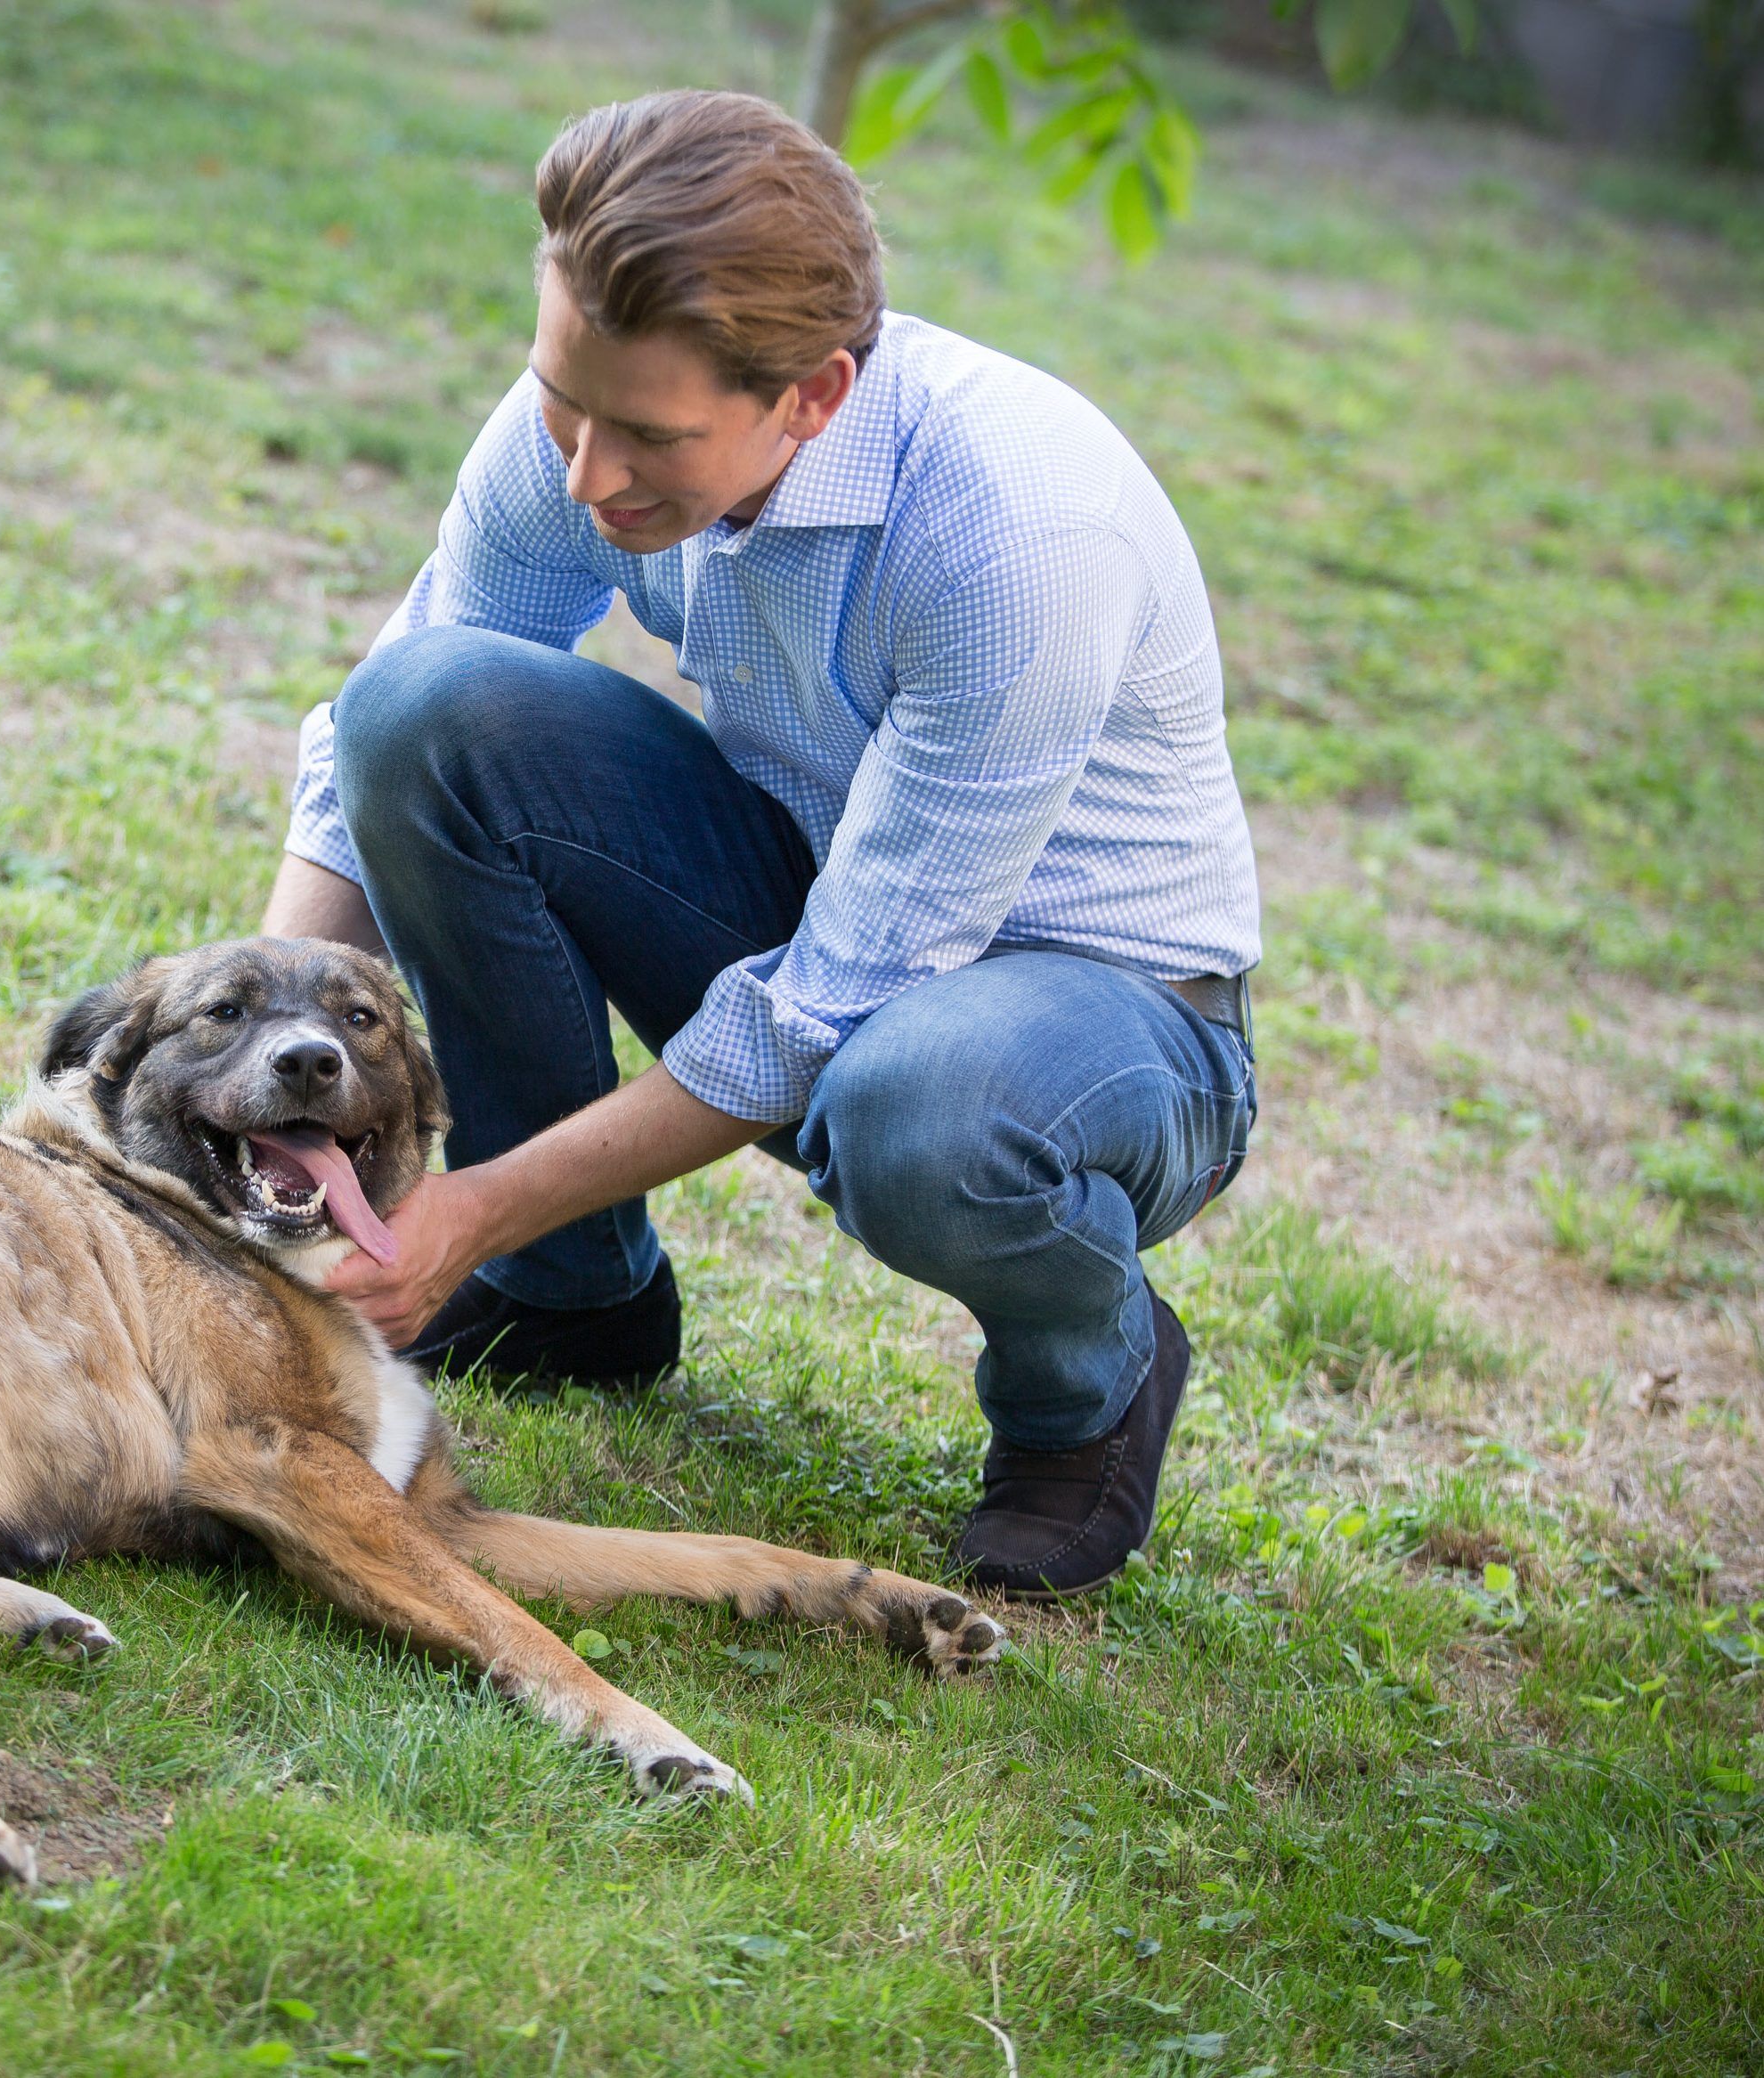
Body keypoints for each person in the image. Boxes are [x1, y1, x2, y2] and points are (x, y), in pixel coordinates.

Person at [257, 88, 1259, 1599]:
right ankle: (567, 1293)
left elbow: (837, 1001)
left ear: (815, 396)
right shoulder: (591, 423)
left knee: (918, 1098)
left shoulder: (1016, 532)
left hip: (1104, 1019)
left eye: (649, 438)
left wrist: (461, 1202)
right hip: (829, 897)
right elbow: (375, 751)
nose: (587, 474)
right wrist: (246, 1046)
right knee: (423, 705)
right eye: (561, 405)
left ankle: (1086, 1384)